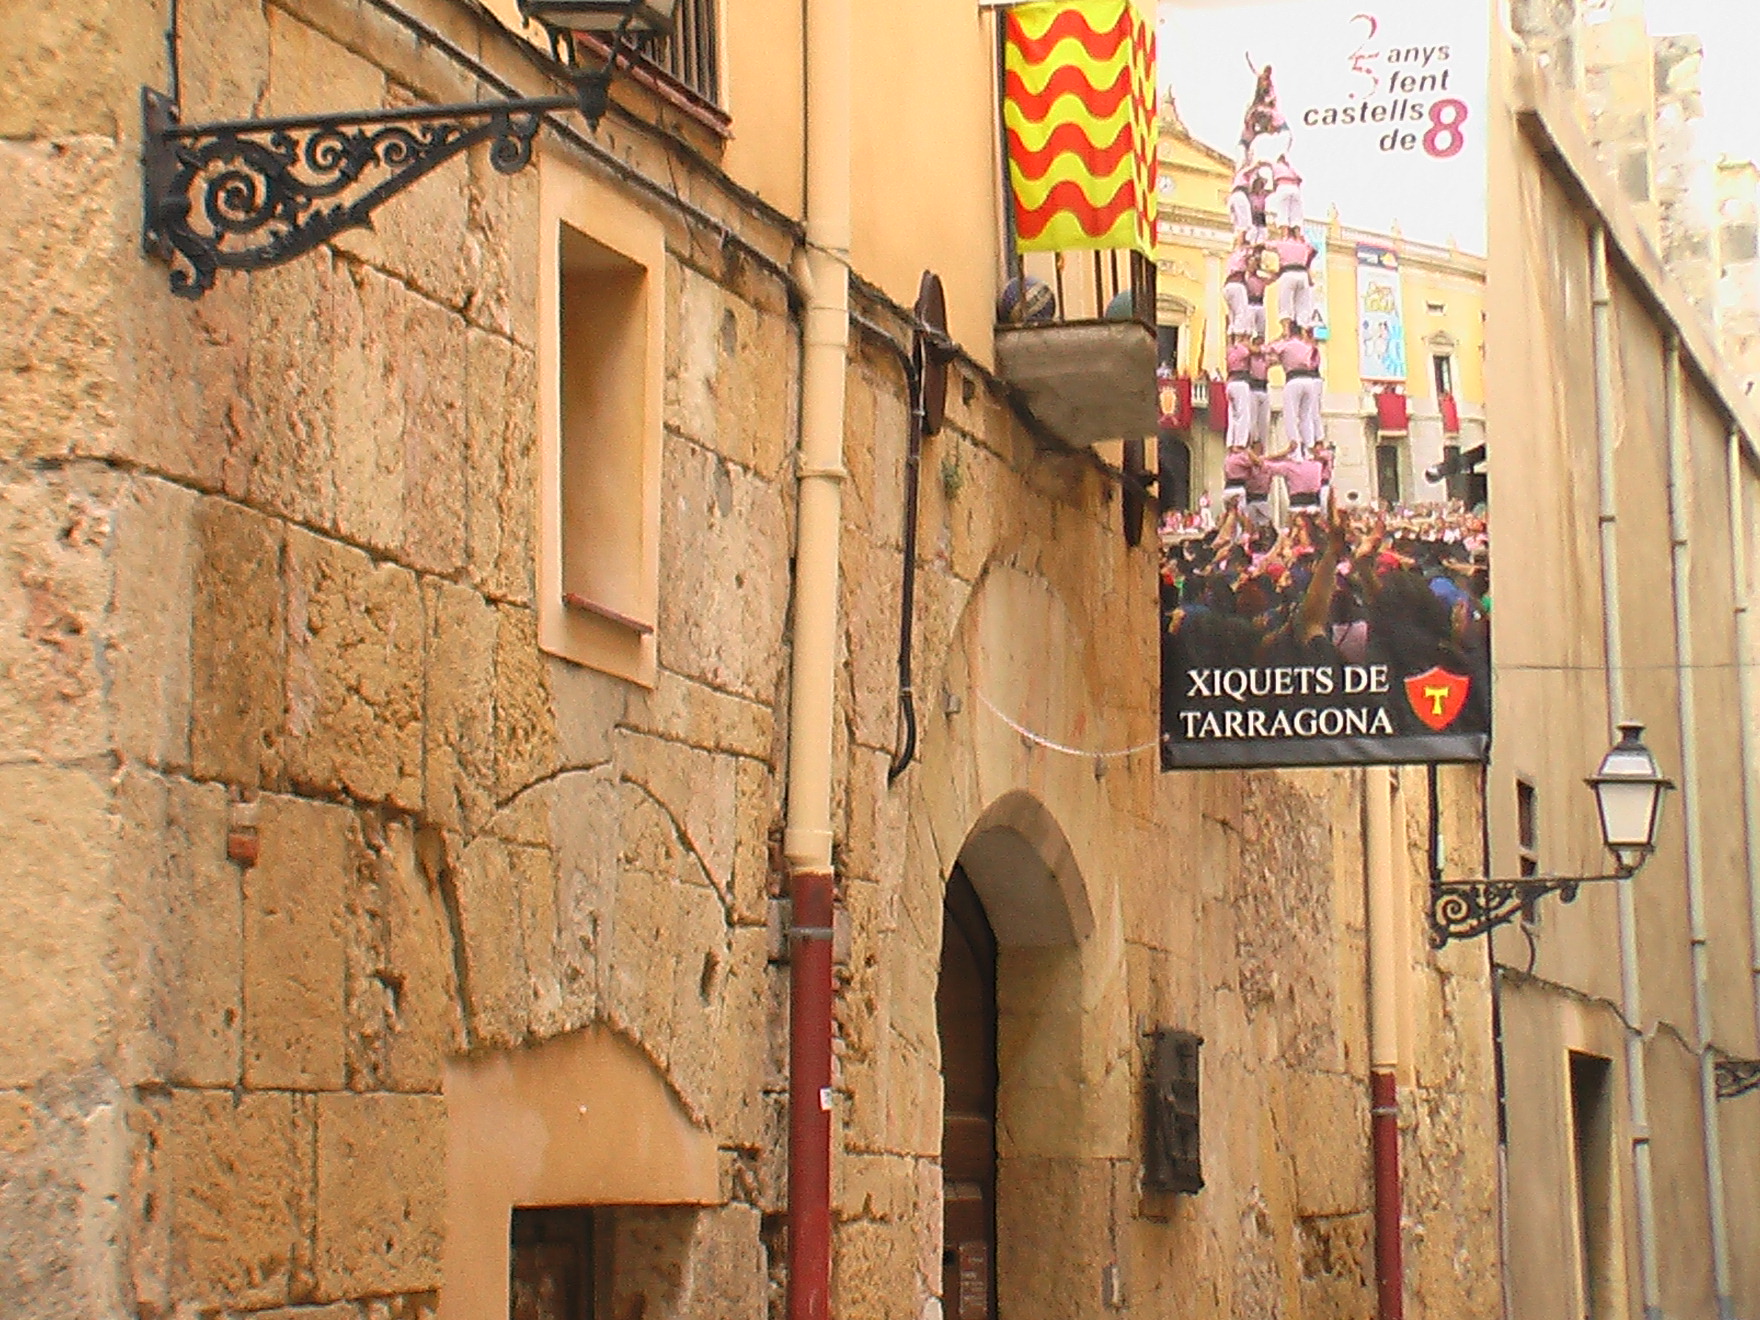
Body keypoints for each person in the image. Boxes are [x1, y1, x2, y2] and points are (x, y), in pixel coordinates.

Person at [1271, 225, 1317, 332]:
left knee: (1285, 302)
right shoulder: (1304, 245)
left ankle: (1286, 330)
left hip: (1288, 273)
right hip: (1302, 275)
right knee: (1303, 304)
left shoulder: (1282, 243)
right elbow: (1311, 255)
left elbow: (1265, 245)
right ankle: (1303, 330)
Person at [1224, 333, 1253, 448]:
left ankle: (1231, 441)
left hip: (1230, 383)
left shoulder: (1230, 350)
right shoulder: (1242, 349)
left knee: (1232, 415)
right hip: (1240, 383)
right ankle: (1240, 442)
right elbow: (1250, 352)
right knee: (1243, 414)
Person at [1268, 155, 1302, 230]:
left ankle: (1285, 234)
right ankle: (1297, 234)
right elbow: (1300, 179)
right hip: (1295, 188)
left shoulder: (1276, 166)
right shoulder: (1291, 168)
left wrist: (1274, 190)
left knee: (1282, 213)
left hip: (1283, 186)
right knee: (1296, 217)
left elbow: (1274, 183)